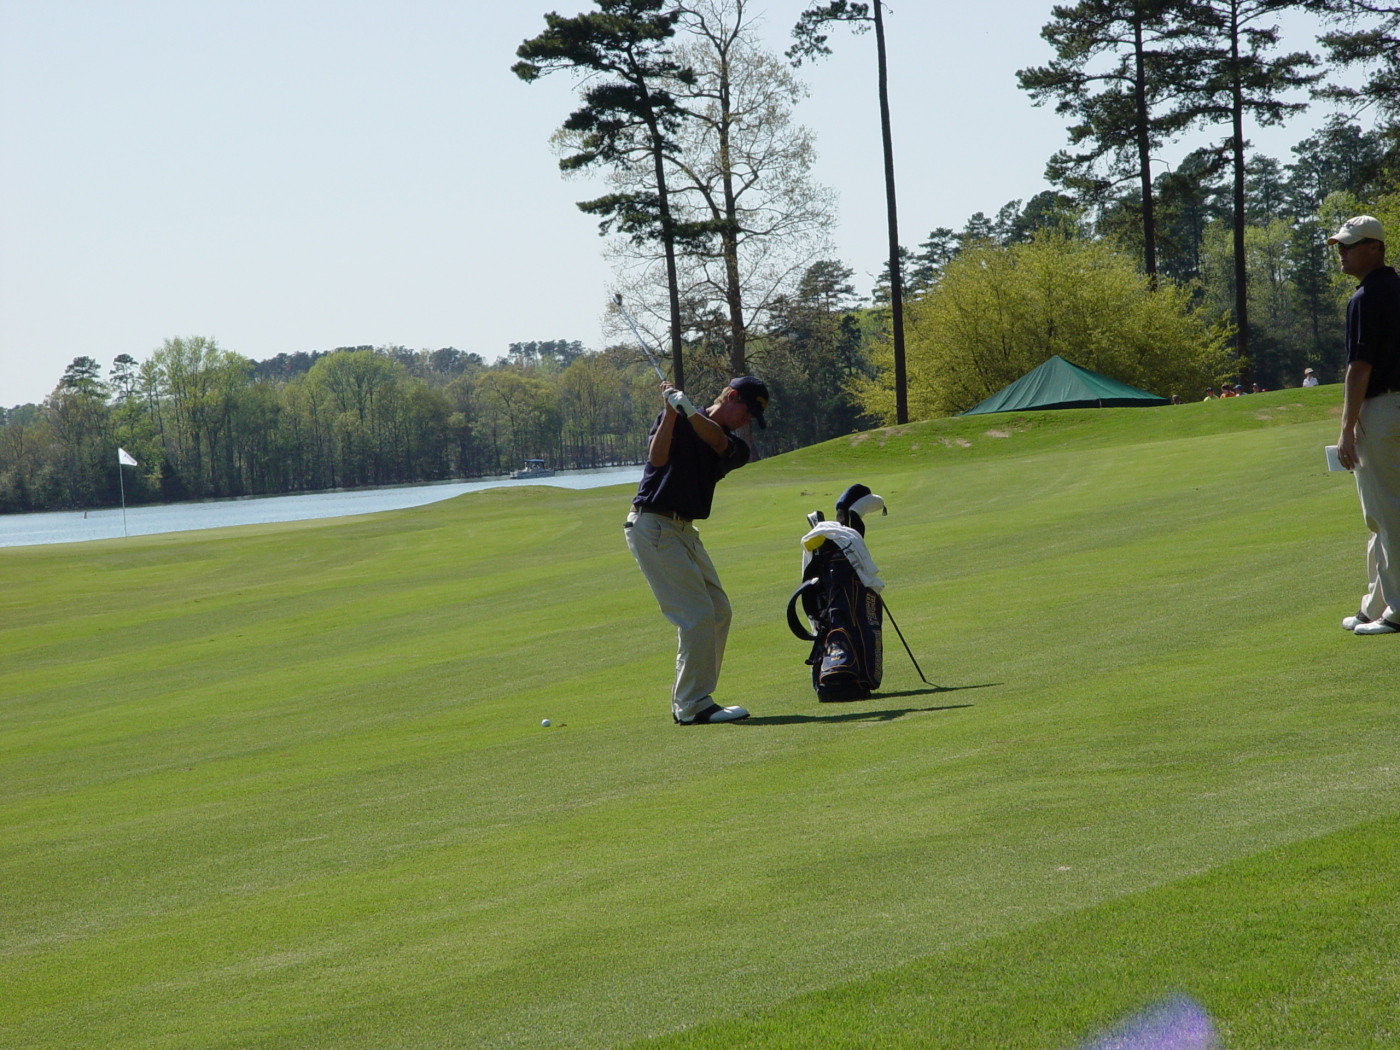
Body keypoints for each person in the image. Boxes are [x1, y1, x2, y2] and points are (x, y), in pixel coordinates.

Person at [624, 375, 770, 722]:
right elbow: (657, 460)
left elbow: (716, 440)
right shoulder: (673, 416)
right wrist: (671, 412)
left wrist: (687, 409)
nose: (747, 421)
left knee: (718, 610)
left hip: (684, 531)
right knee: (696, 615)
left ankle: (694, 699)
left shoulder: (736, 448)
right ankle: (692, 705)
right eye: (746, 411)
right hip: (653, 524)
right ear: (731, 396)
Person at [1329, 215, 1400, 635]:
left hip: (1383, 410)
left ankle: (1396, 610)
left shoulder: (1366, 298)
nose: (1342, 253)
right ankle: (1374, 604)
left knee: (1386, 514)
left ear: (1374, 247)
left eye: (1350, 246)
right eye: (1340, 245)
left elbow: (1360, 368)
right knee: (1384, 513)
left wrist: (1346, 428)